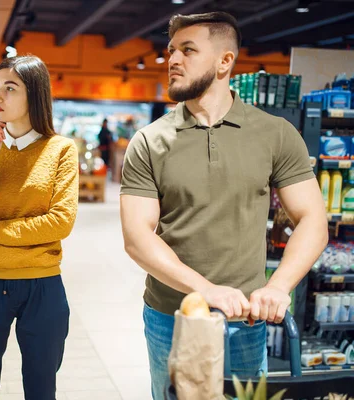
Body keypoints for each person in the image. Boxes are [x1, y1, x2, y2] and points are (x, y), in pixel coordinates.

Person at [119, 12, 327, 399]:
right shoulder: (149, 141)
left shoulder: (274, 133)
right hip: (172, 315)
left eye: (187, 50)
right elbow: (136, 237)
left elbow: (313, 219)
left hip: (247, 317)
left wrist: (279, 287)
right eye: (170, 51)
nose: (172, 60)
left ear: (224, 62)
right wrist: (205, 290)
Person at [0, 55, 79, 400]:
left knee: (41, 389)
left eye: (10, 88)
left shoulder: (61, 150)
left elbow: (59, 222)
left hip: (42, 284)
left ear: (34, 96)